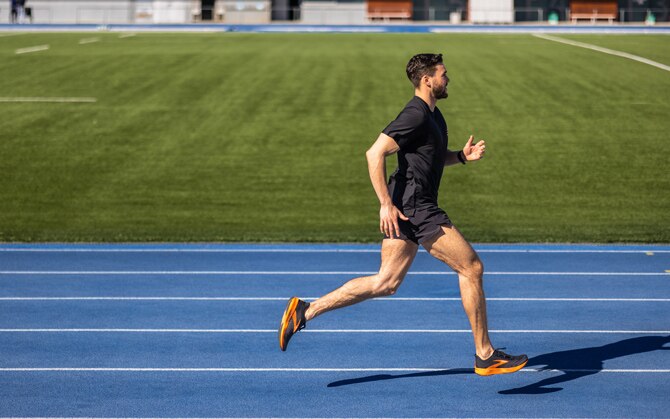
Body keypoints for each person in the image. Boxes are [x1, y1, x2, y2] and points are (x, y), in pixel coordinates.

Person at [278, 53, 527, 376]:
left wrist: (461, 157)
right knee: (471, 267)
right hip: (416, 207)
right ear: (427, 80)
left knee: (386, 282)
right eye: (443, 74)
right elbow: (374, 153)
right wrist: (385, 203)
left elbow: (431, 157)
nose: (448, 79)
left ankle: (306, 311)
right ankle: (485, 355)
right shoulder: (415, 114)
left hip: (409, 206)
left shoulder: (434, 115)